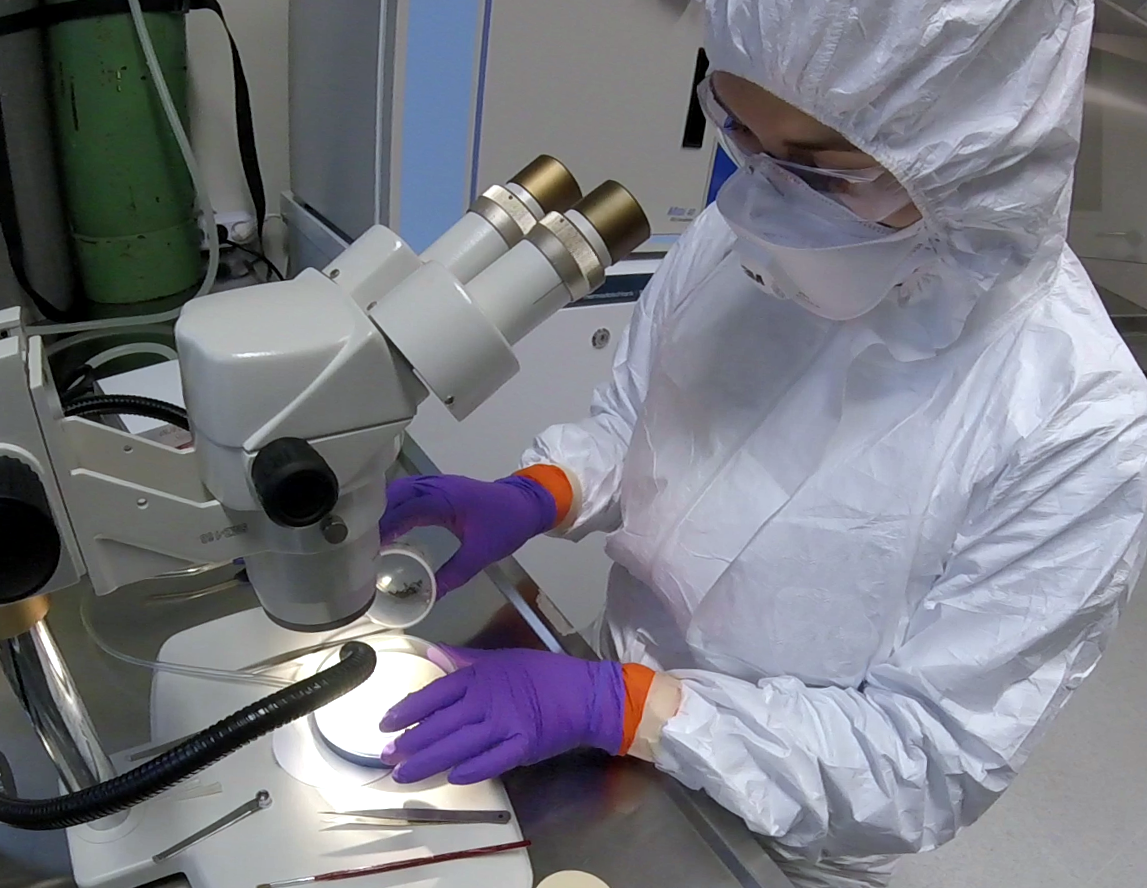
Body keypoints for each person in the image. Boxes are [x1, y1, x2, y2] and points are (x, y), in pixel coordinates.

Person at [376, 0, 1147, 885]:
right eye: (741, 132)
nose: (773, 199)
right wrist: (541, 492)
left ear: (972, 153)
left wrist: (631, 710)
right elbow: (641, 424)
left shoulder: (1080, 421)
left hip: (780, 830)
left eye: (825, 173)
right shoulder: (746, 226)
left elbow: (924, 758)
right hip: (610, 716)